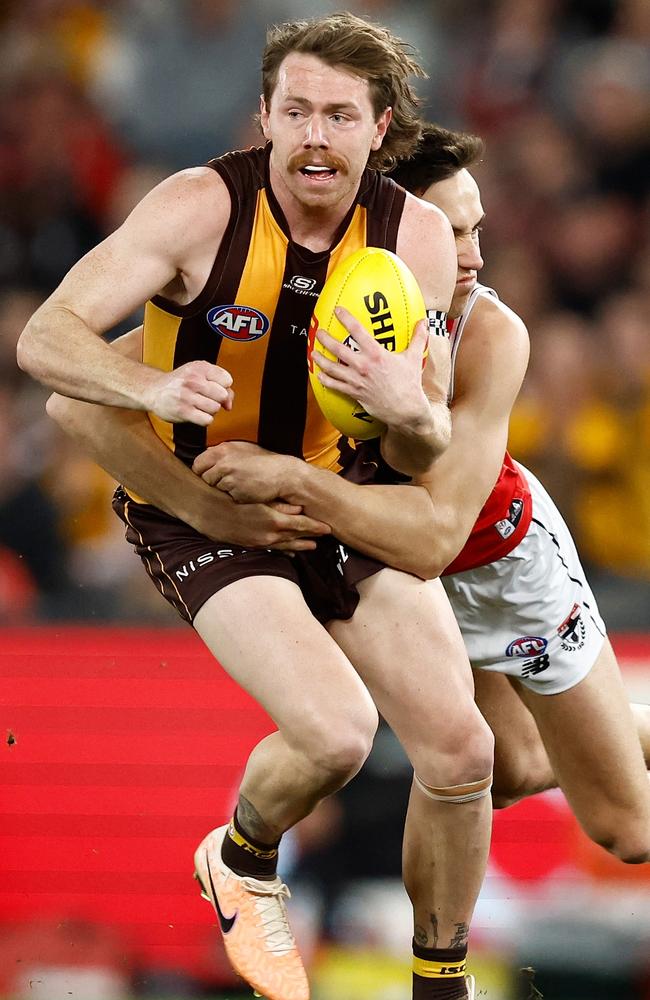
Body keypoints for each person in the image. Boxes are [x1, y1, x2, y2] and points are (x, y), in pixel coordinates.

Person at [20, 16, 492, 1000]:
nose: (314, 136)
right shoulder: (199, 206)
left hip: (338, 488)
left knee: (459, 748)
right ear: (263, 118)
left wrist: (410, 409)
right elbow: (45, 337)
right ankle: (241, 857)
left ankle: (437, 983)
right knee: (335, 733)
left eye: (337, 116)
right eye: (296, 112)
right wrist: (144, 386)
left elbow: (422, 443)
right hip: (201, 498)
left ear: (379, 128)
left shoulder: (414, 238)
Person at [190, 122, 650, 865]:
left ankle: (611, 726)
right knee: (509, 769)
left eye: (478, 229)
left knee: (628, 831)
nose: (472, 256)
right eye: (450, 230)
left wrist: (294, 479)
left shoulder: (492, 332)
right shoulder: (296, 291)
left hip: (496, 560)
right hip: (403, 574)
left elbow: (436, 539)